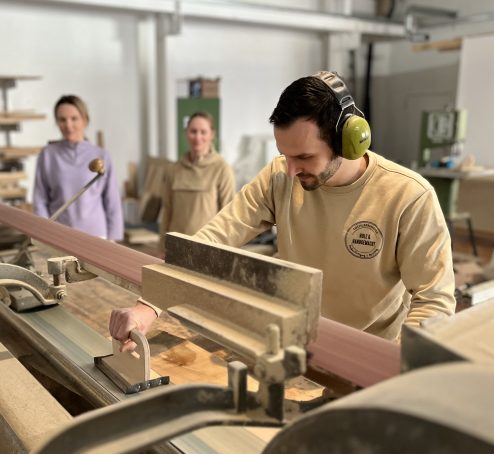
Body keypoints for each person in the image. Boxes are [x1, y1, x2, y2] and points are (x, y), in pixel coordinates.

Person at [110, 71, 455, 349]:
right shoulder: (280, 176)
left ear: (347, 142)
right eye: (285, 154)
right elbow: (211, 241)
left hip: (368, 358)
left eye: (304, 157)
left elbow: (433, 301)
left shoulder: (408, 197)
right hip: (294, 345)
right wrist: (148, 306)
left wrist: (393, 364)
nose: (290, 170)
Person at [33, 95, 124, 240]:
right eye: (62, 120)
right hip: (59, 235)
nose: (68, 125)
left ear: (85, 119)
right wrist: (45, 233)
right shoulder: (48, 155)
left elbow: (112, 201)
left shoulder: (101, 155)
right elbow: (40, 199)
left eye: (74, 118)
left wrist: (113, 238)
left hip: (97, 236)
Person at [159, 112, 235, 253]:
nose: (198, 137)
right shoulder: (173, 169)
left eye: (203, 132)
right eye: (193, 131)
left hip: (207, 250)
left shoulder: (222, 169)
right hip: (176, 248)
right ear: (186, 133)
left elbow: (228, 218)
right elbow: (167, 211)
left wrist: (226, 254)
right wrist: (162, 247)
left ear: (212, 135)